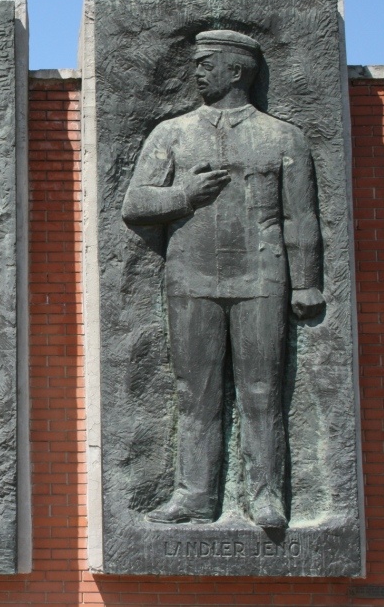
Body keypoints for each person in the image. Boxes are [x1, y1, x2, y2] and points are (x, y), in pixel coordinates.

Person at [122, 30, 324, 530]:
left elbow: (301, 218)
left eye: (206, 63)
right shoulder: (172, 133)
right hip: (190, 278)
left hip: (261, 277)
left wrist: (306, 283)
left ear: (237, 70)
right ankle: (194, 495)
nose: (197, 72)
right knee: (196, 394)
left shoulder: (283, 137)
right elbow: (134, 205)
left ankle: (266, 497)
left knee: (261, 392)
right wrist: (184, 195)